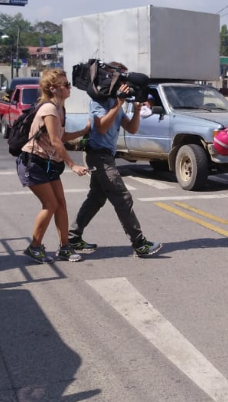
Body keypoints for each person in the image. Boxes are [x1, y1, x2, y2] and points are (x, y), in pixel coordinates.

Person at [68, 62, 162, 257]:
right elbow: (100, 127)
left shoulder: (116, 100)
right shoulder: (99, 100)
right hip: (98, 154)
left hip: (106, 154)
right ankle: (139, 243)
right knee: (122, 197)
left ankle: (74, 237)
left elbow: (132, 128)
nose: (125, 84)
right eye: (122, 78)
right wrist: (118, 103)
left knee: (96, 198)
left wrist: (135, 109)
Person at [17, 69, 90, 264]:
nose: (69, 88)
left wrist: (83, 131)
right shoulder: (49, 109)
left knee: (61, 204)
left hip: (48, 163)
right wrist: (73, 165)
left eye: (68, 84)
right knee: (50, 205)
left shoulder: (60, 108)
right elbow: (56, 141)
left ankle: (65, 247)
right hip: (33, 162)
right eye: (65, 85)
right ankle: (34, 247)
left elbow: (62, 136)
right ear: (53, 89)